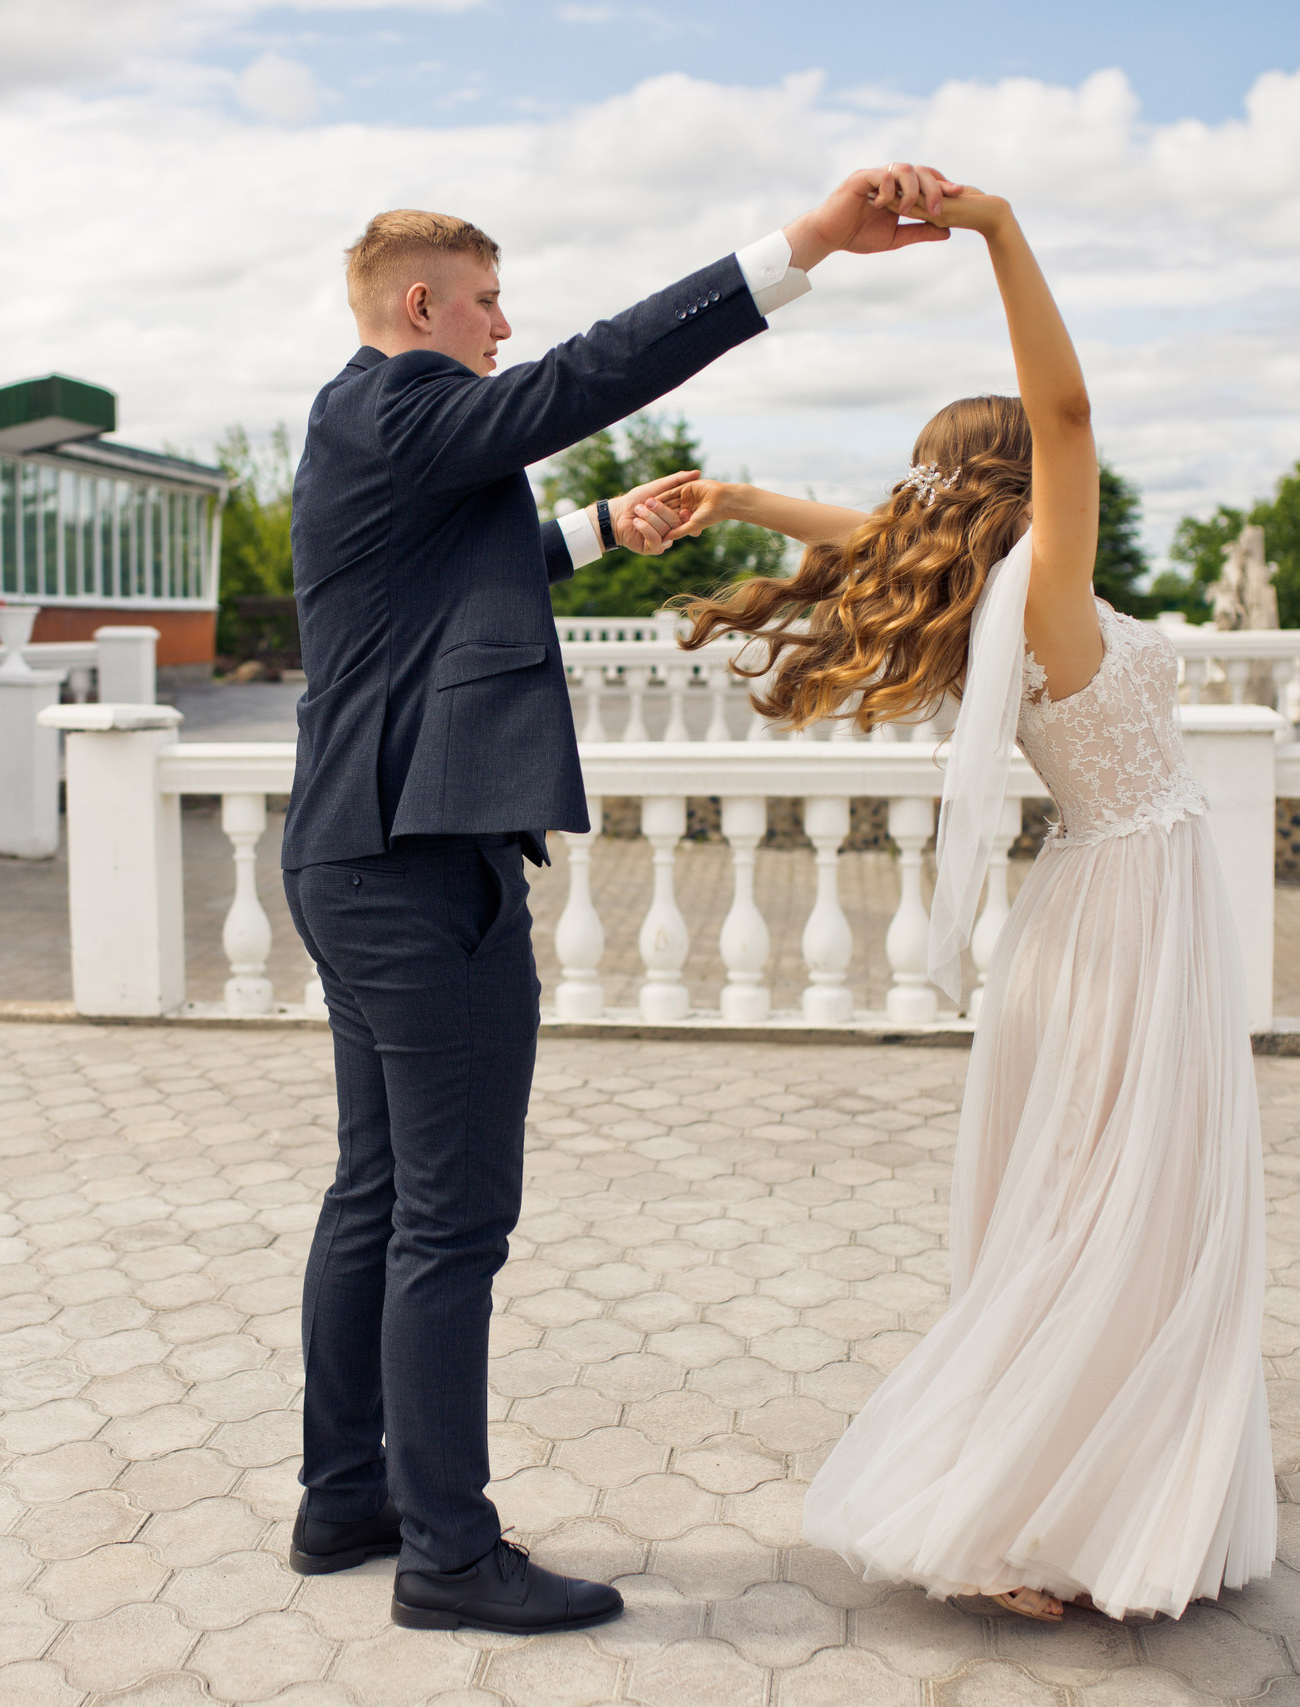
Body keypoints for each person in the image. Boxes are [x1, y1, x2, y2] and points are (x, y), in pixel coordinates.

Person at [281, 166, 960, 1636]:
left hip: (351, 854)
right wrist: (805, 250)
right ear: (422, 308)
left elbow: (458, 577)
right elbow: (595, 370)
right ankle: (449, 1557)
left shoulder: (366, 437)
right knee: (451, 1220)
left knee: (379, 1193)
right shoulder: (399, 404)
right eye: (484, 303)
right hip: (415, 863)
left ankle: (348, 1498)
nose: (505, 326)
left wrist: (599, 534)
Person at [641, 181, 1275, 1623]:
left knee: (1105, 1210)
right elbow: (1070, 419)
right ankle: (1015, 1509)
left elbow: (877, 535)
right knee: (1119, 1217)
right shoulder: (1044, 586)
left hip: (1099, 909)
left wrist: (742, 497)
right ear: (1021, 489)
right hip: (1133, 915)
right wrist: (998, 231)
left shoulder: (1005, 598)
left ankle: (1087, 1493)